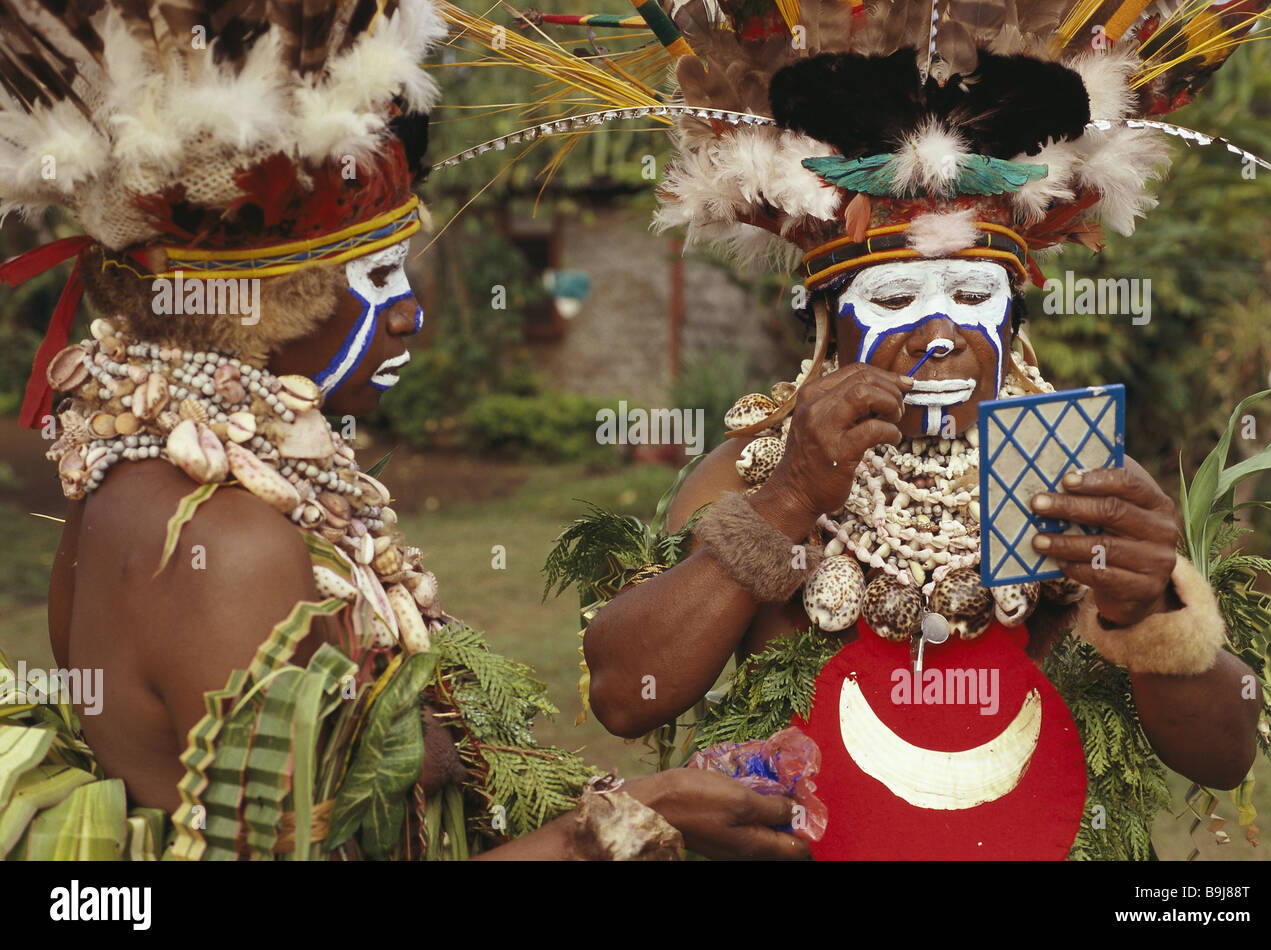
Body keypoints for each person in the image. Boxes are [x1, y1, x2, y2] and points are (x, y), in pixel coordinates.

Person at [433, 0, 1271, 858]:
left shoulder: (1071, 475)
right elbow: (626, 694)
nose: (939, 332)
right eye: (894, 301)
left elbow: (1221, 758)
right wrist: (789, 501)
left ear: (1012, 324)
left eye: (971, 296)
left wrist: (1150, 605)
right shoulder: (760, 472)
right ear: (831, 325)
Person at [0, 0, 806, 861]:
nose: (412, 314)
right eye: (379, 277)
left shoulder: (127, 486)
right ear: (268, 300)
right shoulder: (229, 545)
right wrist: (614, 828)